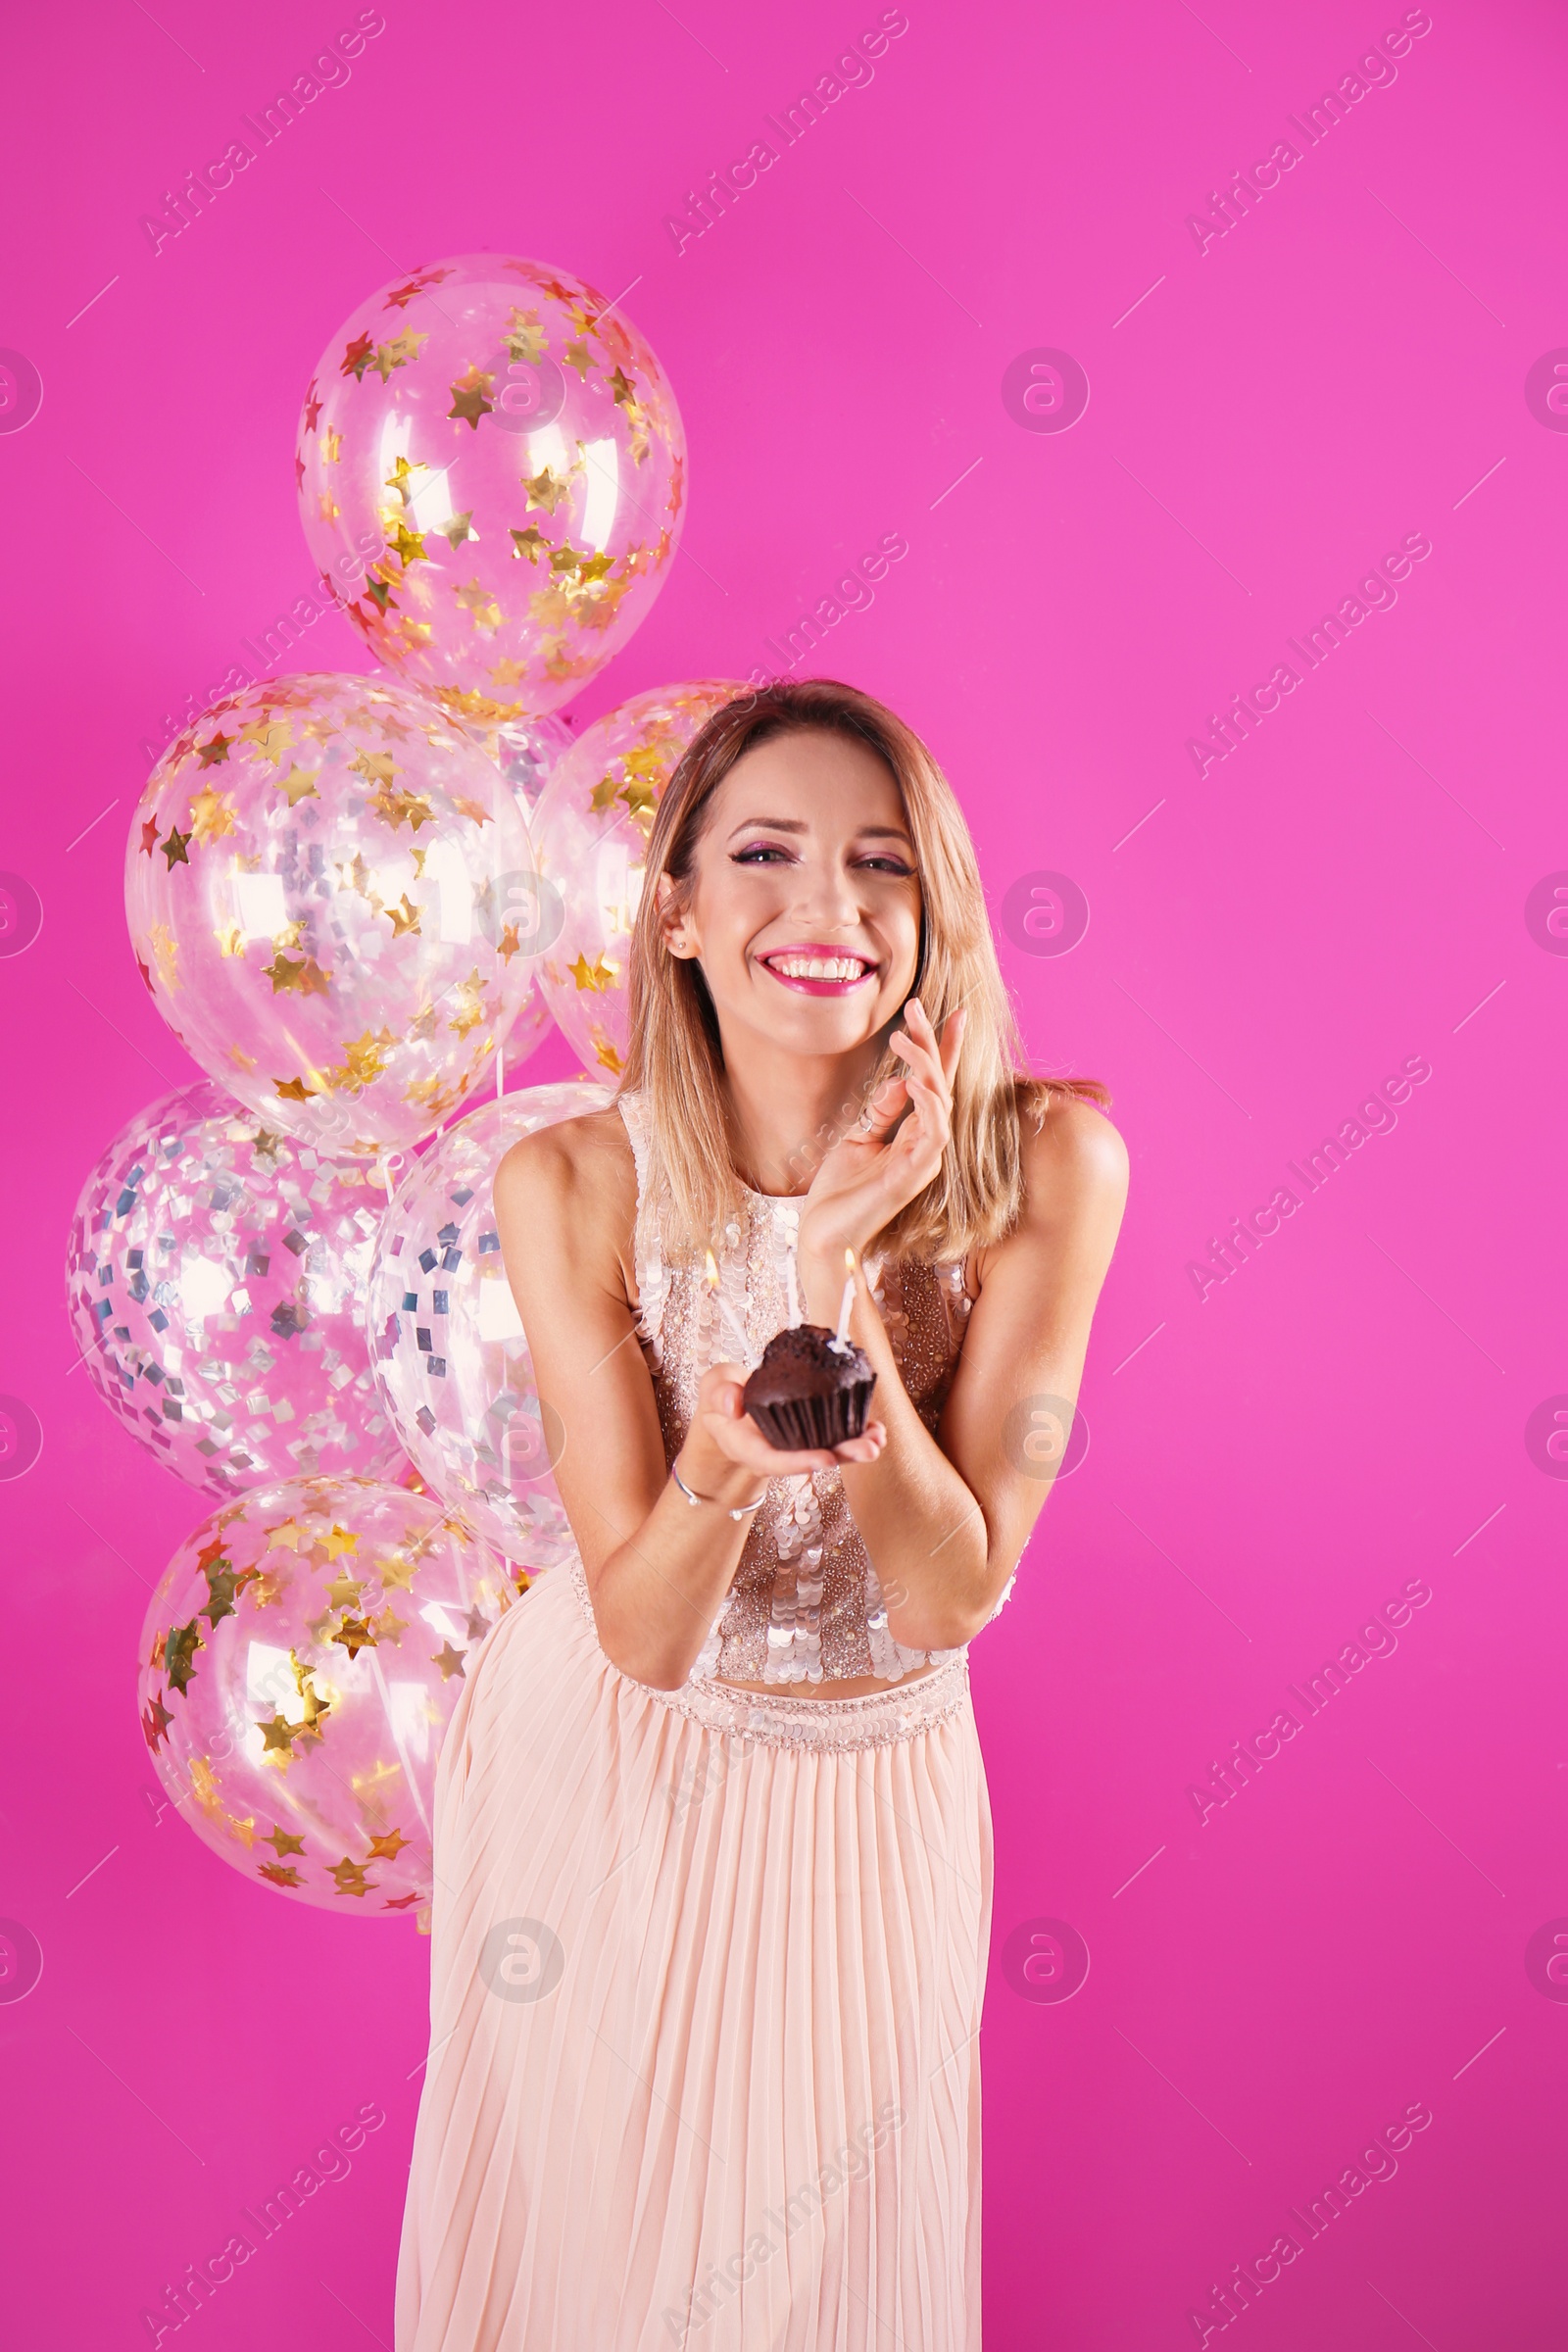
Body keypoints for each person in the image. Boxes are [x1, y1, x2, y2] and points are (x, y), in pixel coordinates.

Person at [396, 677, 1128, 2350]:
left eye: (882, 861)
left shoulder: (1050, 1164)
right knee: (614, 2274)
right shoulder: (573, 1180)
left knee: (834, 2291)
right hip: (619, 1768)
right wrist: (729, 1451)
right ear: (675, 915)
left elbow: (949, 1597)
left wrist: (840, 1284)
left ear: (932, 909)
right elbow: (645, 1632)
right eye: (767, 856)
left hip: (881, 1790)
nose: (830, 909)